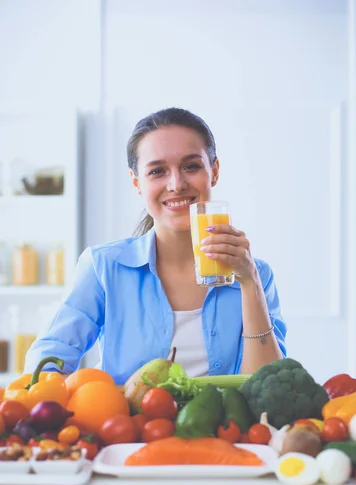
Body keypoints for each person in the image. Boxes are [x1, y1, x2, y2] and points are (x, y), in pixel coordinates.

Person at [24, 107, 287, 384]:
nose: (176, 184)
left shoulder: (257, 274)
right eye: (157, 171)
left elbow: (267, 388)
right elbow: (45, 362)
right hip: (132, 428)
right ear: (137, 182)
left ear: (215, 171)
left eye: (191, 166)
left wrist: (249, 282)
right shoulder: (104, 267)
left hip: (227, 429)